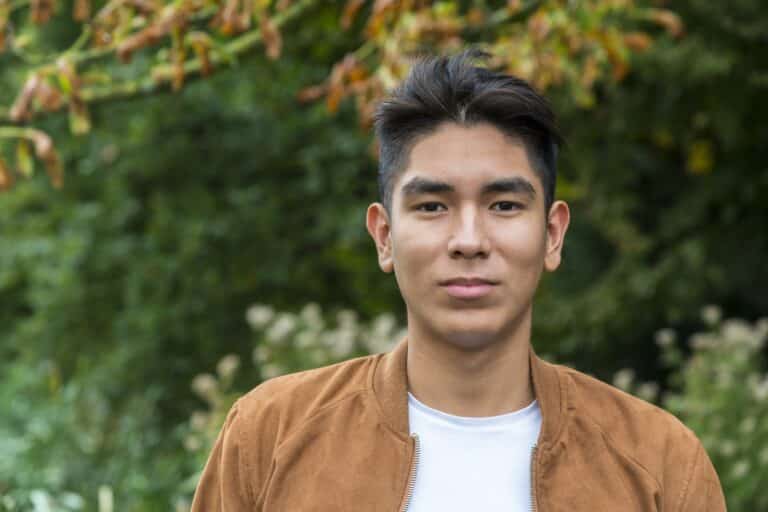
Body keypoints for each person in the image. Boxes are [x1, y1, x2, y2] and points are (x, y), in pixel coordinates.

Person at [190, 51, 726, 511]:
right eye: (432, 205)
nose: (468, 239)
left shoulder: (656, 462)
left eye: (504, 204)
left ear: (553, 234)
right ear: (384, 236)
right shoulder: (272, 437)